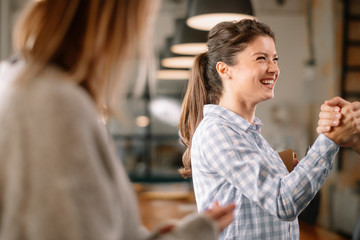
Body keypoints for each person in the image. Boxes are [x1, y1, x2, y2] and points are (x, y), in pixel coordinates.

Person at [0, 1, 235, 240]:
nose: (141, 36)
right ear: (118, 20)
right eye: (145, 20)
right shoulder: (52, 102)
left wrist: (191, 232)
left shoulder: (25, 82)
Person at [179, 19, 355, 239]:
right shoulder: (217, 131)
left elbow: (252, 187)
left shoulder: (248, 132)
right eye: (261, 58)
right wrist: (330, 138)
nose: (274, 69)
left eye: (275, 59)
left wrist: (283, 166)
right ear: (225, 70)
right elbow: (283, 202)